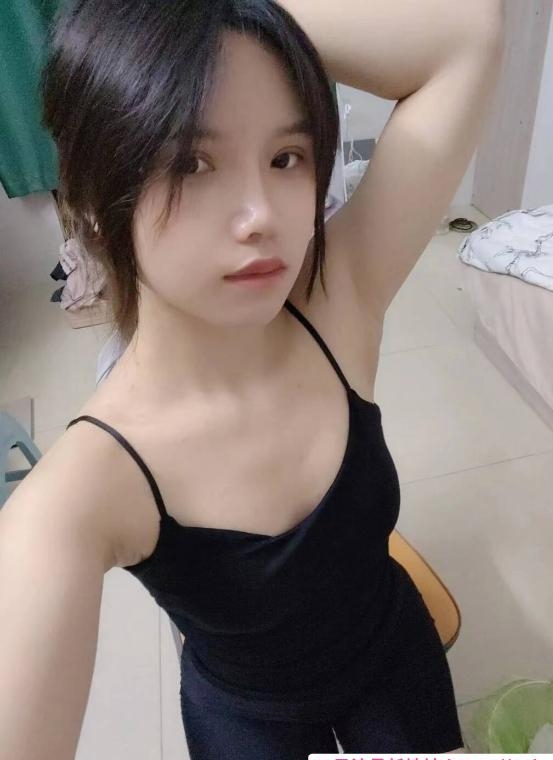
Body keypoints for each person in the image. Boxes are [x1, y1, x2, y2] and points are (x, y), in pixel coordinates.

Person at [0, 1, 504, 758]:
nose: (261, 215)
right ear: (95, 201)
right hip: (248, 725)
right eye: (191, 163)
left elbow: (469, 35)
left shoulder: (338, 299)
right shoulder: (83, 491)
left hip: (398, 663)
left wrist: (213, 11)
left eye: (287, 157)